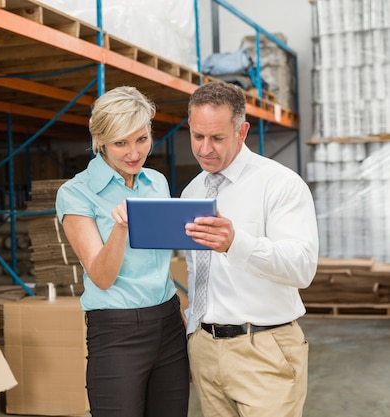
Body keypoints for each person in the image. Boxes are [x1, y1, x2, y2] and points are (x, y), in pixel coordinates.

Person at [181, 81, 319, 417]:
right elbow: (198, 276)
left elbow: (302, 268)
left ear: (242, 132)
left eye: (217, 138)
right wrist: (192, 338)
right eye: (197, 136)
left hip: (263, 349)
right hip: (204, 349)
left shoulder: (279, 185)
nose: (205, 149)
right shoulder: (190, 192)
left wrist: (235, 243)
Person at [55, 85, 190, 417]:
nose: (134, 153)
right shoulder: (76, 194)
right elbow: (101, 277)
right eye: (120, 143)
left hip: (169, 321)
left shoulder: (156, 183)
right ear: (99, 139)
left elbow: (159, 260)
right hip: (117, 331)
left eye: (141, 139)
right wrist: (121, 228)